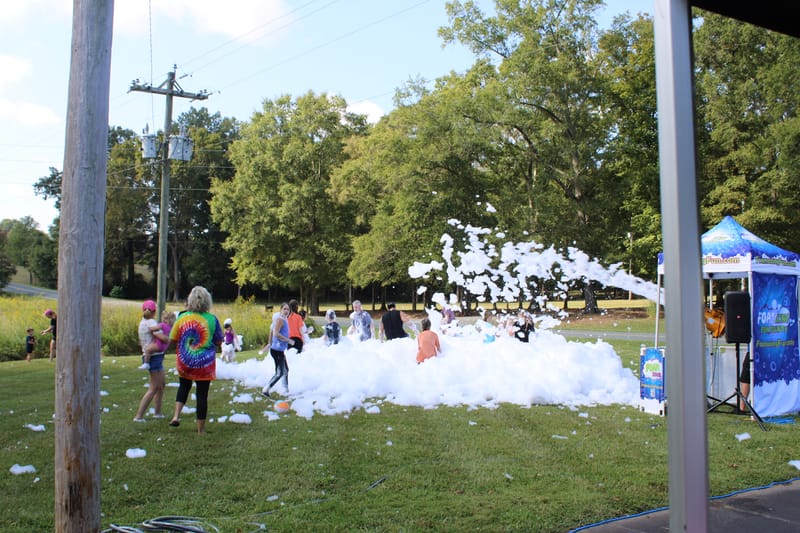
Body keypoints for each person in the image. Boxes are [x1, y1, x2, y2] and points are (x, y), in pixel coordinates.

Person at [168, 286, 224, 435]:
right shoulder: (212, 319)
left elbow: (173, 338)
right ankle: (201, 430)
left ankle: (176, 416)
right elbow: (219, 340)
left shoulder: (181, 316)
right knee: (202, 394)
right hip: (204, 364)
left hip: (185, 360)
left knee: (183, 387)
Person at [133, 300, 168, 422]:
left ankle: (157, 413)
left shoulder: (142, 322)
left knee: (161, 385)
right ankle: (139, 416)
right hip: (154, 357)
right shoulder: (151, 322)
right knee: (154, 387)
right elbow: (162, 337)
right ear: (154, 312)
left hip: (153, 356)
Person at [262, 302, 294, 398]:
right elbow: (275, 333)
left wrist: (269, 343)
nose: (286, 311)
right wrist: (288, 340)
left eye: (288, 309)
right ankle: (266, 389)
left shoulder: (282, 320)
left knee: (286, 370)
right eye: (284, 309)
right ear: (281, 310)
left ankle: (285, 390)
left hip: (278, 349)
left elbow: (271, 331)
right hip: (276, 350)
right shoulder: (280, 320)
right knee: (279, 372)